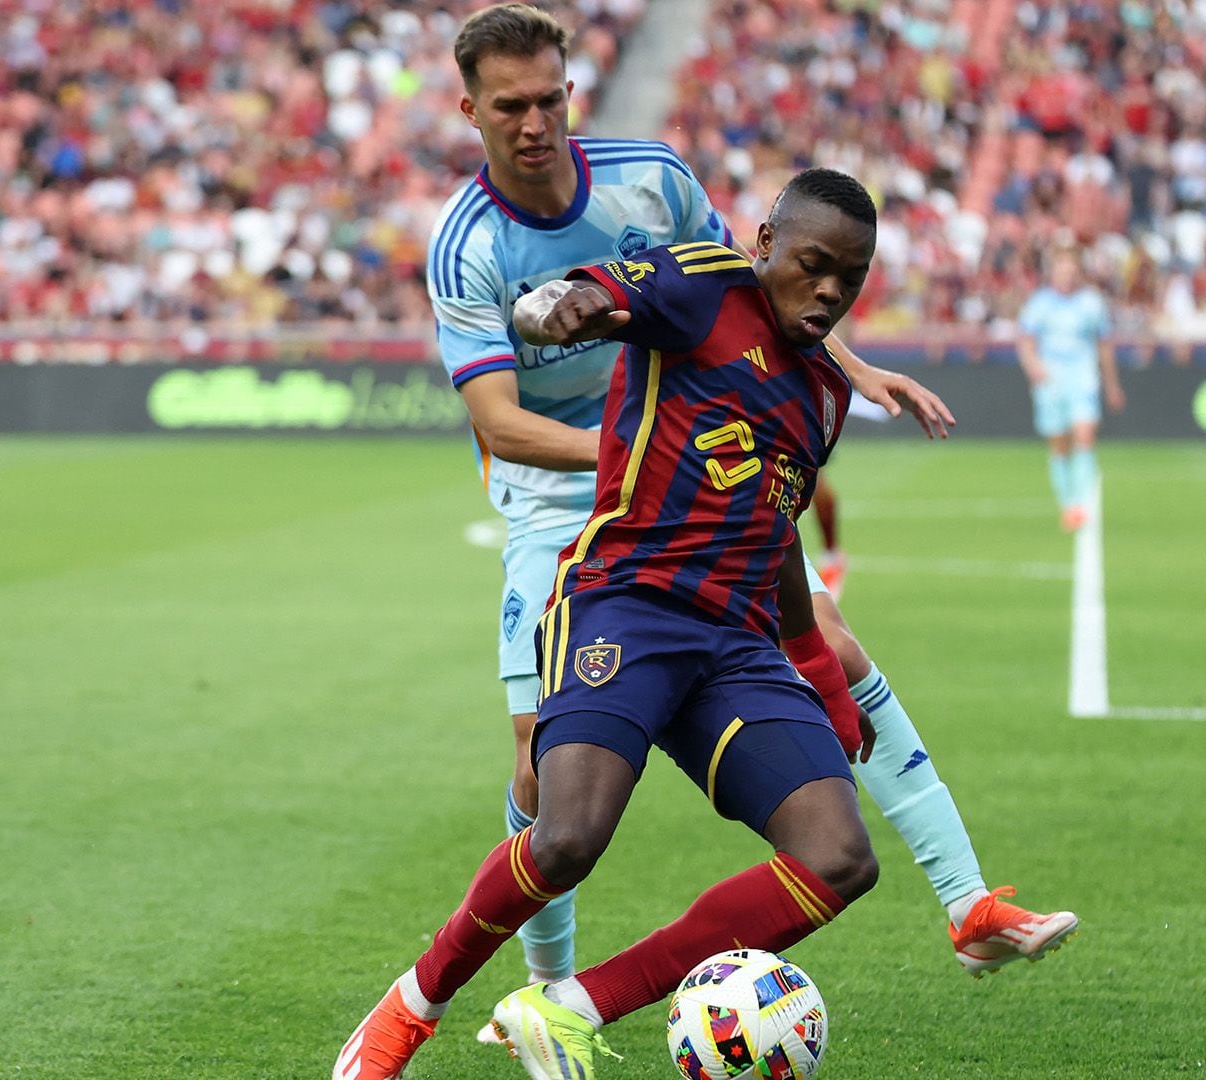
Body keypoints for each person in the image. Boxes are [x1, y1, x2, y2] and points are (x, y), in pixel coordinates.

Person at [423, 4, 1068, 1025]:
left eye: (551, 96)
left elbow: (762, 290)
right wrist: (659, 460)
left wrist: (848, 365)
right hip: (565, 495)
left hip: (701, 469)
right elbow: (500, 425)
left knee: (835, 646)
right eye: (513, 106)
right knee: (540, 771)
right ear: (472, 111)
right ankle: (549, 994)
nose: (537, 120)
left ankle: (968, 901)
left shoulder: (653, 176)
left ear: (570, 91)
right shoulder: (466, 242)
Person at [335, 168, 892, 1080]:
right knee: (565, 839)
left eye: (851, 276)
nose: (829, 288)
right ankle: (408, 1010)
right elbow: (589, 294)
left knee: (838, 860)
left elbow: (776, 529)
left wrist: (823, 677)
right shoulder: (701, 284)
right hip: (624, 608)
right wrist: (554, 308)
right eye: (813, 263)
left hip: (737, 653)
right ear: (765, 245)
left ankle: (567, 1008)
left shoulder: (825, 396)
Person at [1017, 250, 1125, 530]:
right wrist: (1033, 367)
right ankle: (1068, 503)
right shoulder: (1040, 303)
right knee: (1060, 445)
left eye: (1071, 272)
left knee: (1085, 436)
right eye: (1062, 272)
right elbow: (1025, 341)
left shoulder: (1091, 303)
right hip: (1051, 380)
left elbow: (1104, 344)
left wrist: (1112, 384)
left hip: (1083, 377)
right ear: (1053, 274)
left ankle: (1081, 503)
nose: (1067, 277)